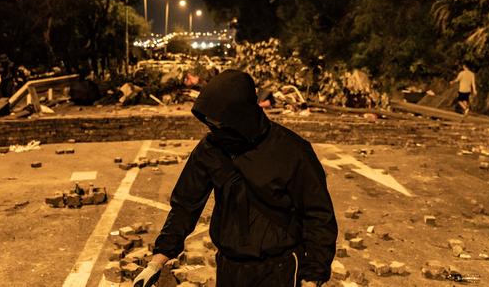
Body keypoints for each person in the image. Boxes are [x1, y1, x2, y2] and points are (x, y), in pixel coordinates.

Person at [134, 70, 338, 287]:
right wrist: (156, 262)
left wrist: (313, 274)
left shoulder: (292, 151)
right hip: (230, 267)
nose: (215, 129)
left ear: (241, 117)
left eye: (221, 124)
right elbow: (185, 205)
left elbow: (318, 216)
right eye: (211, 124)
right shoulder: (211, 148)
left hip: (279, 268)